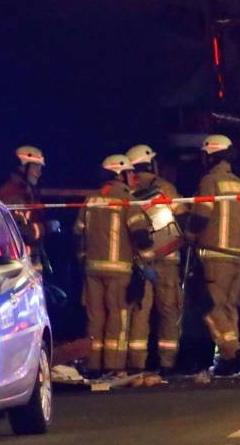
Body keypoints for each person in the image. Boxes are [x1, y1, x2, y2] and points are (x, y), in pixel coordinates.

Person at [74, 154, 154, 376]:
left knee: (95, 318)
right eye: (130, 173)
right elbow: (140, 236)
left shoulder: (91, 199)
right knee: (117, 319)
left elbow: (77, 233)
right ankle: (114, 366)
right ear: (121, 174)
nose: (132, 178)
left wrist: (83, 258)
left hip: (92, 270)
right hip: (119, 271)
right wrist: (147, 260)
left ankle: (93, 365)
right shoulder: (127, 199)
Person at [185, 135, 240, 375]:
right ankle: (228, 358)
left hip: (215, 255)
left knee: (210, 306)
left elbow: (202, 214)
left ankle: (232, 351)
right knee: (229, 308)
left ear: (210, 156)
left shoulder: (209, 181)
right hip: (238, 256)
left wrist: (189, 235)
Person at [126, 143, 187, 374]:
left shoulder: (127, 191)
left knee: (140, 310)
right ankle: (167, 363)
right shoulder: (166, 189)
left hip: (139, 261)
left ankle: (136, 364)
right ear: (151, 163)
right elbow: (182, 219)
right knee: (169, 310)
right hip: (168, 260)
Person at [0, 145, 50, 267]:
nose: (39, 173)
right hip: (21, 263)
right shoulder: (13, 194)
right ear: (22, 167)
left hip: (27, 260)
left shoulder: (26, 192)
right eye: (36, 167)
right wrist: (46, 227)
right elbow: (19, 232)